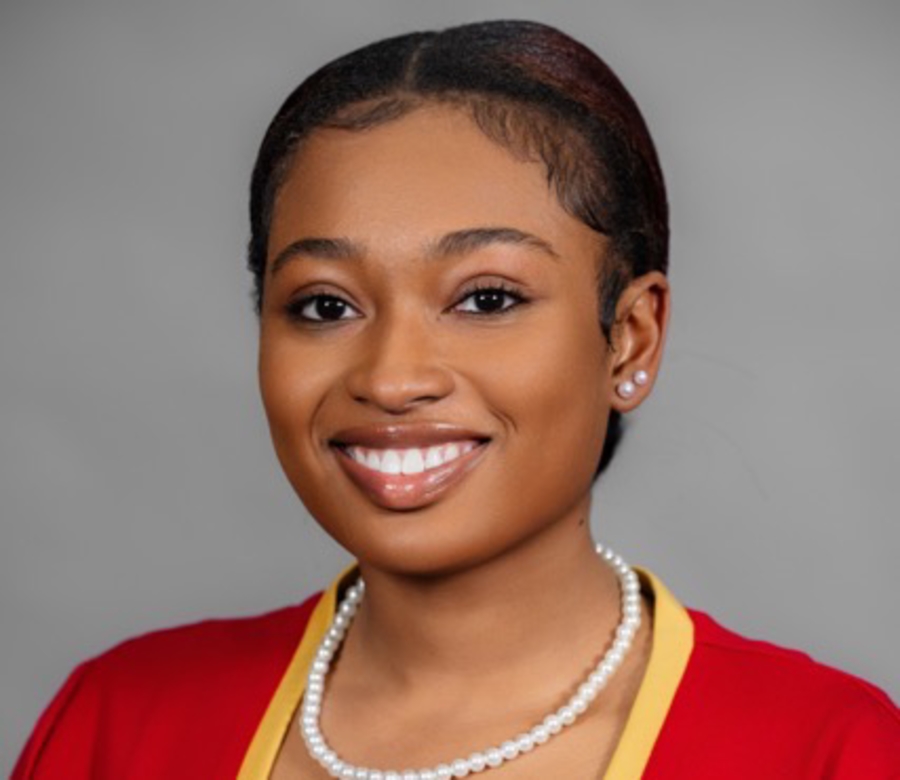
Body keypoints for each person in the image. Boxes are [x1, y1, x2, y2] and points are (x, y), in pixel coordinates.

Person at [13, 19, 899, 780]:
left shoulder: (826, 750)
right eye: (325, 306)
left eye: (487, 299)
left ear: (630, 337)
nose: (391, 378)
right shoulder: (120, 726)